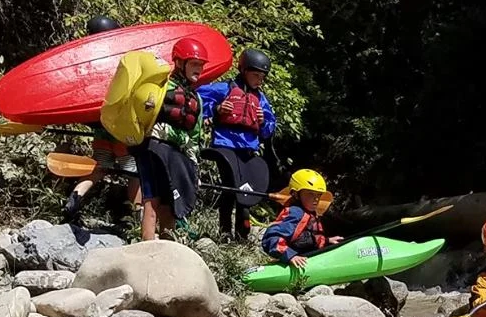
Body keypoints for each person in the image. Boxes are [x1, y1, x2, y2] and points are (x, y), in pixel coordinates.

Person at [197, 46, 276, 240]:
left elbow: (269, 128)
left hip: (247, 149)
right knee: (231, 187)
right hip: (225, 146)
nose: (259, 80)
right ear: (244, 70)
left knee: (246, 190)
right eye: (256, 75)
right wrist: (217, 109)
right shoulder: (224, 89)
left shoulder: (260, 99)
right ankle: (224, 232)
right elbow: (197, 100)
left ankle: (242, 234)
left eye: (262, 77)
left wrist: (263, 122)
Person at [132, 38, 207, 241]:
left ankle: (167, 248)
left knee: (170, 203)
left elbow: (195, 135)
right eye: (194, 64)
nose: (198, 69)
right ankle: (147, 246)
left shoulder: (196, 98)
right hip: (153, 146)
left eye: (201, 65)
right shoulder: (161, 86)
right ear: (180, 63)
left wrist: (193, 163)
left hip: (176, 152)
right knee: (152, 200)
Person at [62, 16, 129, 224]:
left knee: (99, 167)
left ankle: (76, 197)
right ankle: (138, 215)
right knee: (134, 171)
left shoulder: (89, 64)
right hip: (121, 129)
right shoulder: (117, 62)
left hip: (100, 128)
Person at [259, 169, 341, 270]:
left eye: (318, 194)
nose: (316, 199)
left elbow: (308, 237)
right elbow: (272, 237)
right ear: (296, 194)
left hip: (308, 256)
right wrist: (290, 256)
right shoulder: (295, 213)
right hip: (295, 260)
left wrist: (327, 240)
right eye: (310, 194)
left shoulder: (309, 213)